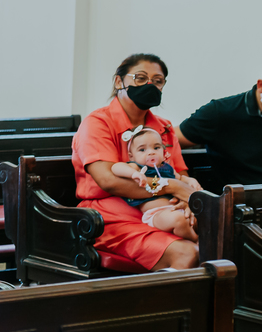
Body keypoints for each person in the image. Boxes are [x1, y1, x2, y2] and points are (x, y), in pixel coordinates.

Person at [72, 53, 199, 271]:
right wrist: (172, 187)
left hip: (164, 210)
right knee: (186, 252)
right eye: (140, 78)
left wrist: (186, 198)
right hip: (109, 217)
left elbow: (181, 174)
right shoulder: (97, 123)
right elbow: (108, 181)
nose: (150, 85)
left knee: (223, 243)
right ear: (119, 81)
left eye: (158, 81)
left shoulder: (164, 128)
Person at [175, 54, 262, 185]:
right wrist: (182, 179)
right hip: (237, 204)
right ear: (261, 85)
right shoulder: (220, 113)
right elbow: (168, 140)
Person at [111, 126, 200, 241]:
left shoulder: (167, 168)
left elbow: (181, 178)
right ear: (131, 156)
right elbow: (115, 167)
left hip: (178, 209)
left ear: (163, 151)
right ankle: (197, 241)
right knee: (179, 220)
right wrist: (133, 174)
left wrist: (190, 180)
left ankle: (205, 238)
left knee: (203, 216)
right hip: (157, 214)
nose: (151, 153)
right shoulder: (138, 168)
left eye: (156, 147)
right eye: (142, 150)